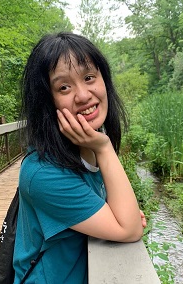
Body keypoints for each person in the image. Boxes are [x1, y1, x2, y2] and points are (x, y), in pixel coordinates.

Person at [13, 32, 146, 283]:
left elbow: (123, 218)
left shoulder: (84, 148)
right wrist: (104, 148)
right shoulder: (43, 173)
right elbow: (129, 229)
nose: (83, 95)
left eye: (89, 77)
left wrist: (117, 212)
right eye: (64, 87)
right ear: (47, 101)